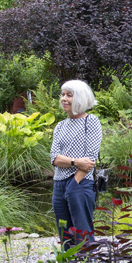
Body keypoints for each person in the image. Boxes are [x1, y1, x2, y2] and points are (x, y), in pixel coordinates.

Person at [49, 80, 102, 249]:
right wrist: (76, 161)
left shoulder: (91, 121)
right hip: (58, 184)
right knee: (65, 234)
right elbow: (54, 158)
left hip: (80, 182)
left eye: (69, 95)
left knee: (82, 234)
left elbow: (90, 159)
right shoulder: (60, 126)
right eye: (63, 94)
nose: (64, 98)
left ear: (79, 98)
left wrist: (74, 183)